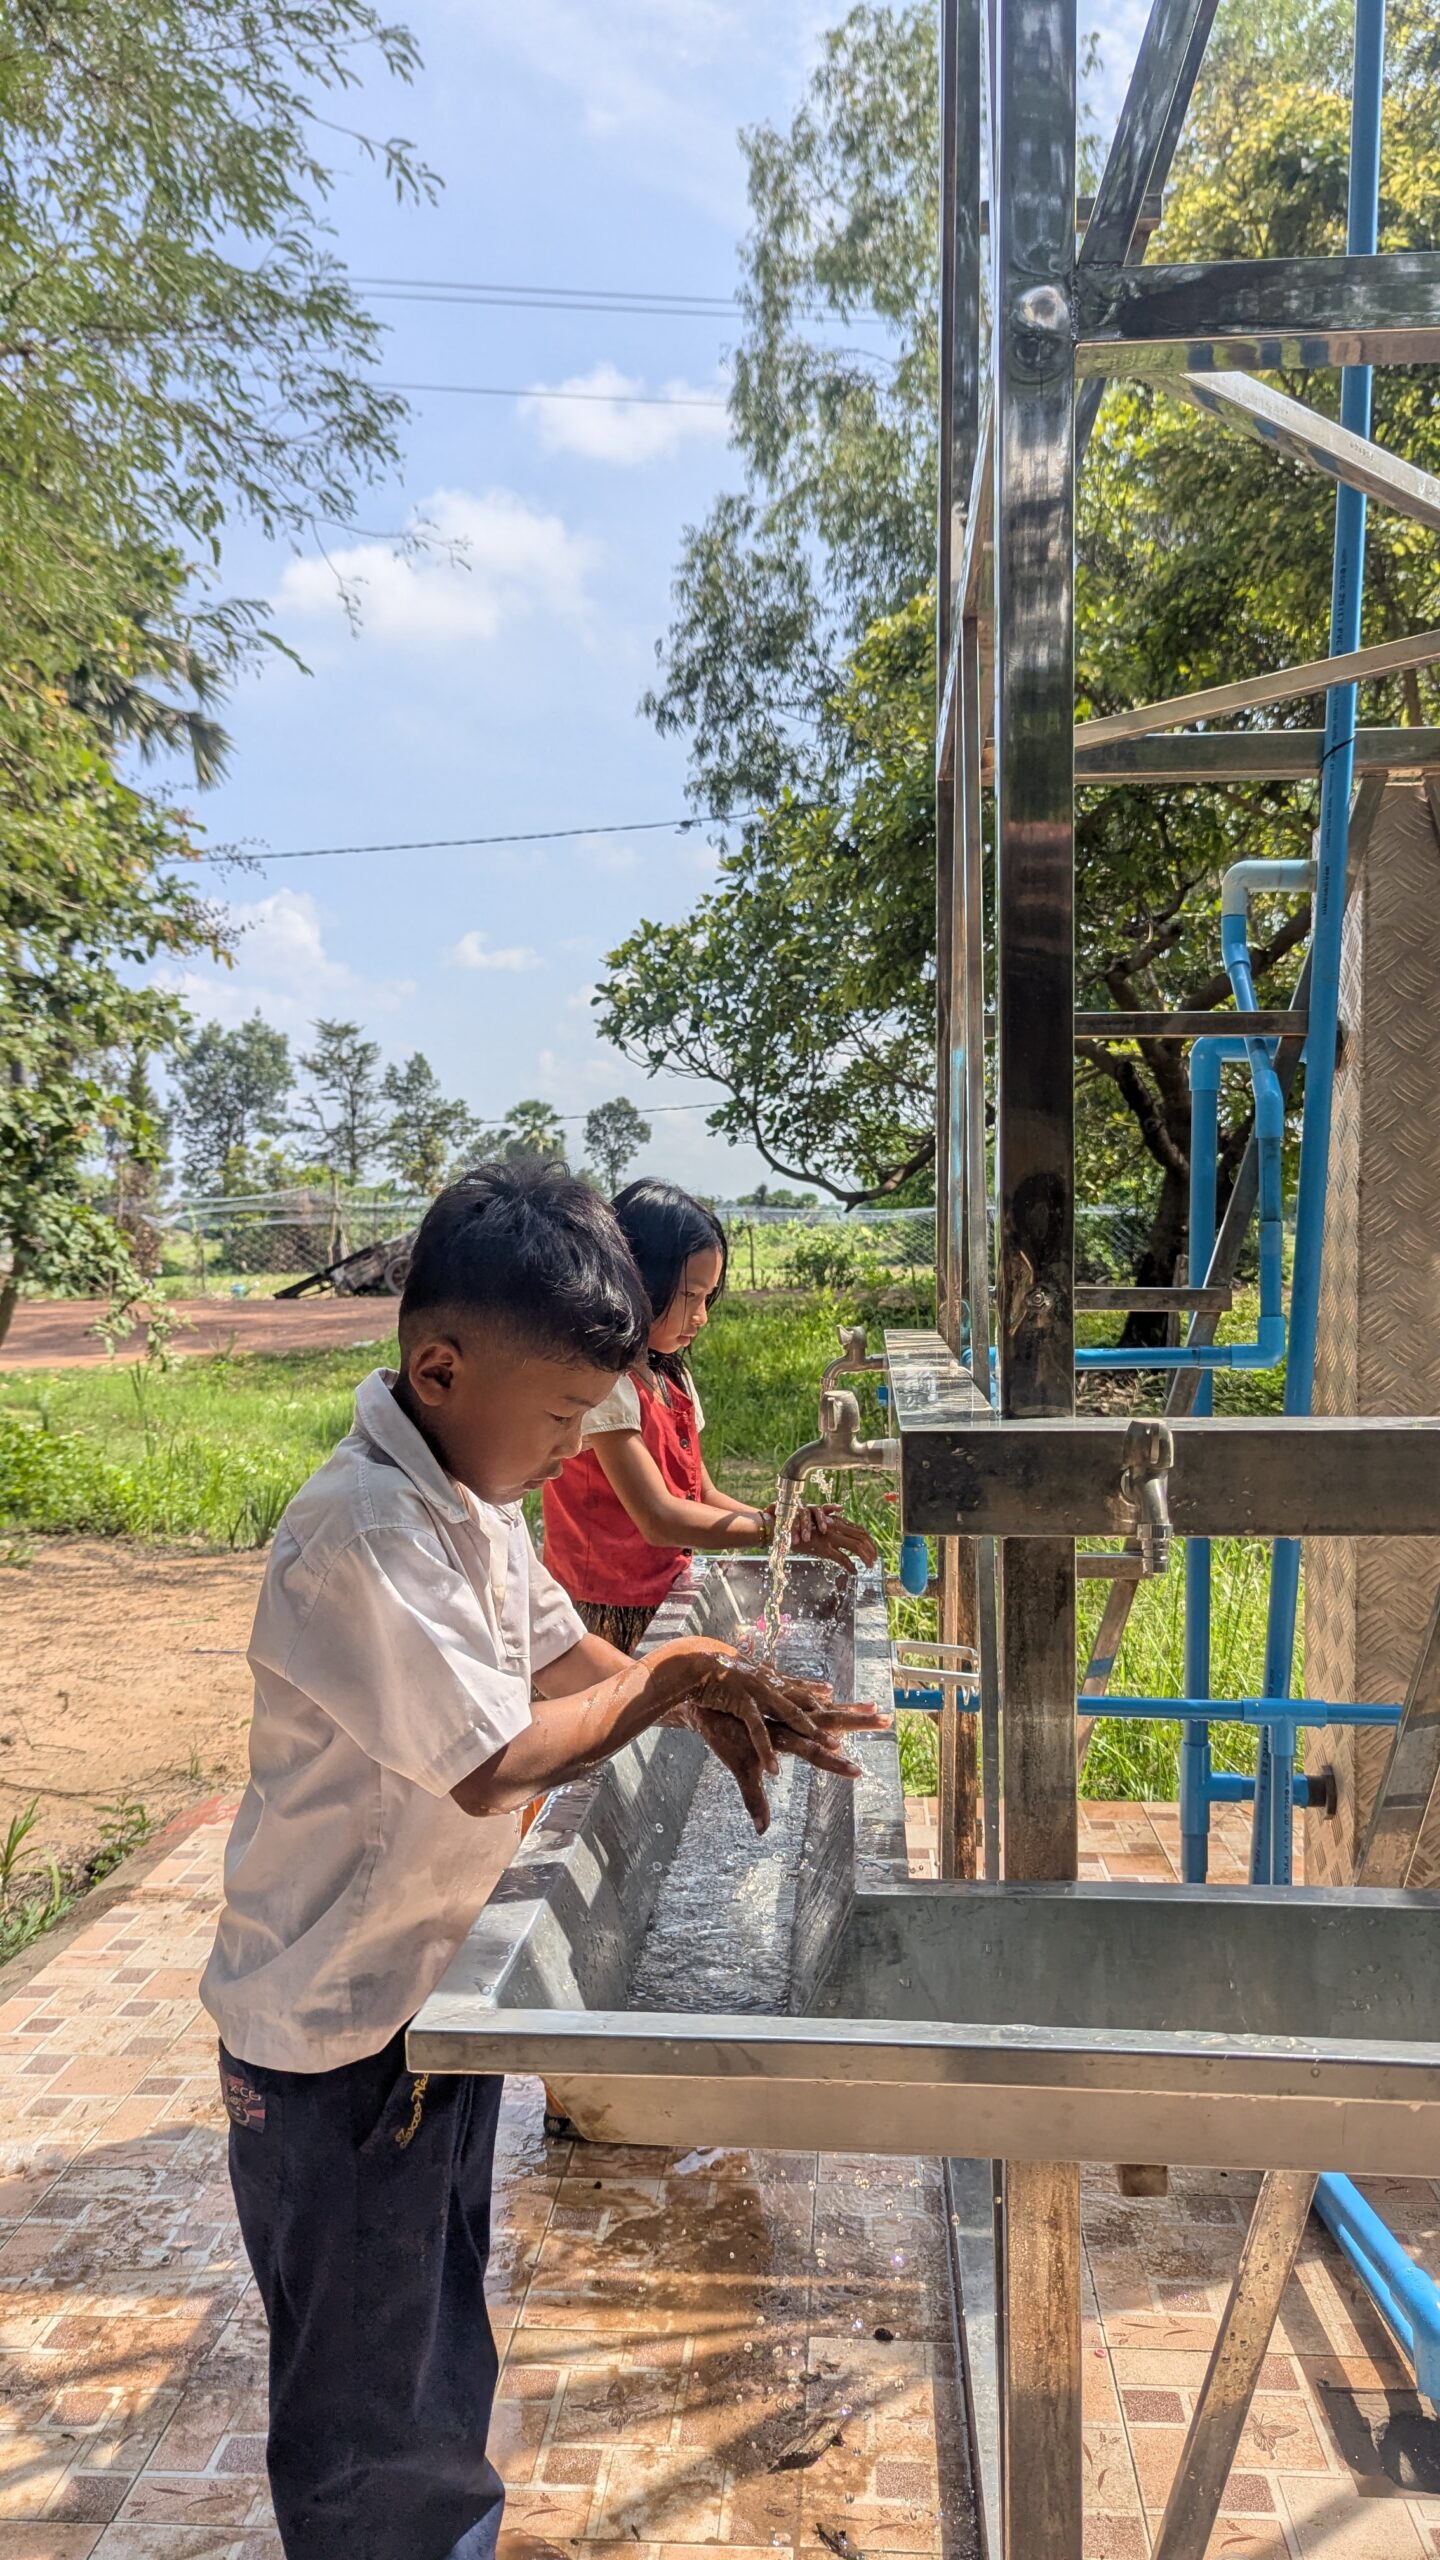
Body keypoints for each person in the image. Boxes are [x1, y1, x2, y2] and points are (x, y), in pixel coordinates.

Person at [200, 1162, 883, 2560]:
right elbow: (493, 1758)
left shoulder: (471, 1494)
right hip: (331, 2035)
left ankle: (443, 2528)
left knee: (432, 2329)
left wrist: (705, 1683)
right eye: (565, 1415)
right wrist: (664, 1678)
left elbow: (558, 1654)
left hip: (415, 2005)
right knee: (363, 2389)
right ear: (439, 1368)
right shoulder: (365, 1529)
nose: (579, 1447)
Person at [542, 1177, 878, 1652]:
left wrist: (782, 1520)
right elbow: (659, 1517)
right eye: (690, 1297)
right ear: (636, 1280)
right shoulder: (605, 1384)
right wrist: (772, 1531)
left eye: (708, 1298)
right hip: (603, 1610)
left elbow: (703, 1493)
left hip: (664, 1592)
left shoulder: (669, 1376)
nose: (701, 1317)